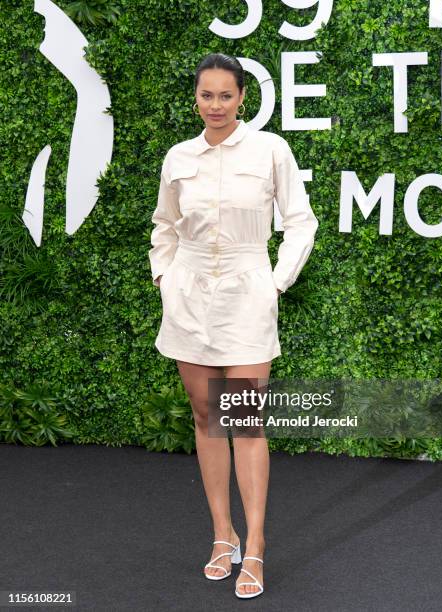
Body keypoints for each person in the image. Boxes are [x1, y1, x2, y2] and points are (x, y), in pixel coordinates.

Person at [148, 53, 319, 599]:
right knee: (206, 417)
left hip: (247, 291)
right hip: (189, 295)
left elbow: (300, 221)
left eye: (226, 95)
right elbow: (164, 224)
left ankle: (258, 544)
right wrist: (163, 277)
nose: (216, 105)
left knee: (244, 421)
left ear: (243, 97)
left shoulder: (271, 150)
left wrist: (275, 282)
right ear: (195, 98)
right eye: (207, 95)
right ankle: (223, 536)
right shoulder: (178, 157)